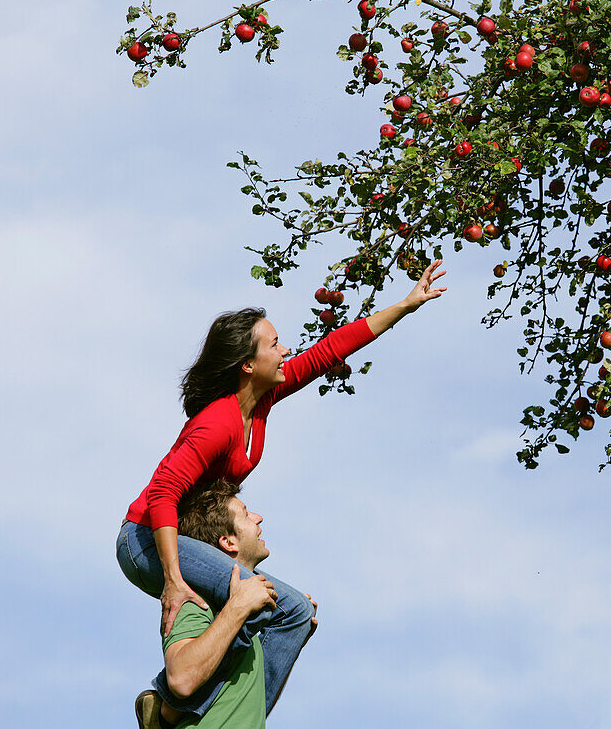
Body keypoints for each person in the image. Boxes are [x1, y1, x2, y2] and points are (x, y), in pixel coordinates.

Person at [117, 261, 446, 721]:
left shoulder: (262, 400)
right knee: (284, 606)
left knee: (292, 617)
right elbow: (161, 495)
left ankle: (225, 717)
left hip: (177, 538)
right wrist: (173, 580)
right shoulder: (218, 422)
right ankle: (170, 706)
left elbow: (330, 350)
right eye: (275, 344)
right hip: (144, 539)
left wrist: (405, 306)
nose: (287, 349)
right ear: (248, 364)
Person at [135, 479, 313, 729]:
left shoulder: (246, 621)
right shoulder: (196, 601)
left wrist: (291, 636)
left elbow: (257, 701)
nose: (258, 518)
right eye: (245, 513)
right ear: (228, 541)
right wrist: (237, 608)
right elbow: (181, 679)